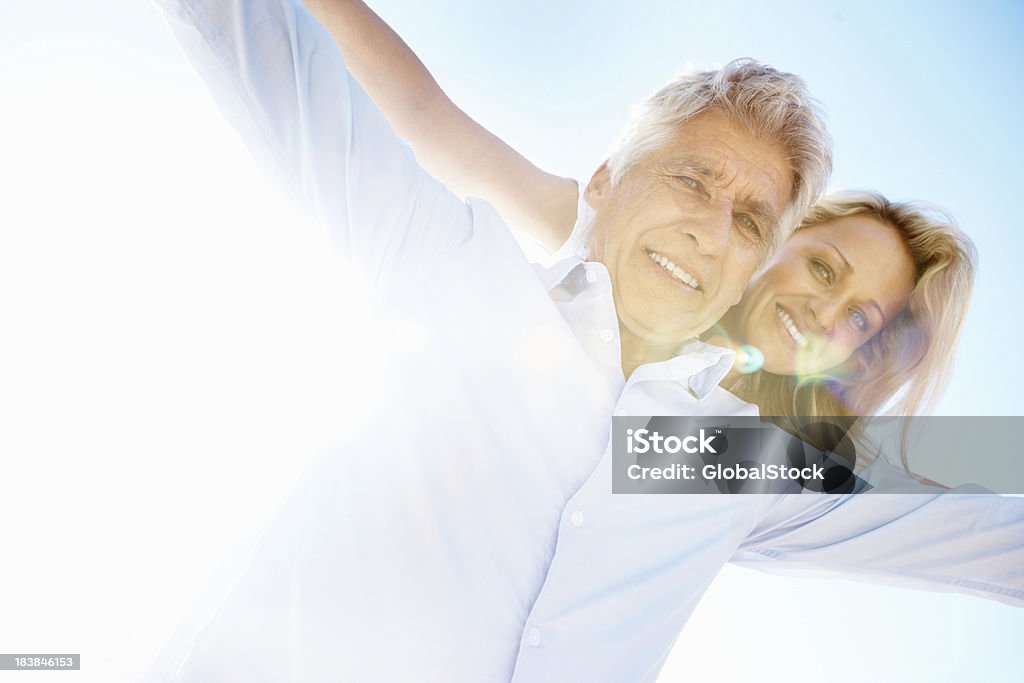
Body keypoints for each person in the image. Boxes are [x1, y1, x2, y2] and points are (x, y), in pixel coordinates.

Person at [149, 1, 1022, 681]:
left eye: (749, 219)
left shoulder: (732, 462)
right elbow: (323, 75)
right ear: (606, 179)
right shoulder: (462, 269)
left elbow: (989, 520)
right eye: (691, 181)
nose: (712, 231)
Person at [304, 0, 977, 458]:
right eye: (824, 268)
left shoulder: (747, 455)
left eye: (860, 320)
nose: (822, 314)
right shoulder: (621, 244)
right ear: (779, 243)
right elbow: (429, 121)